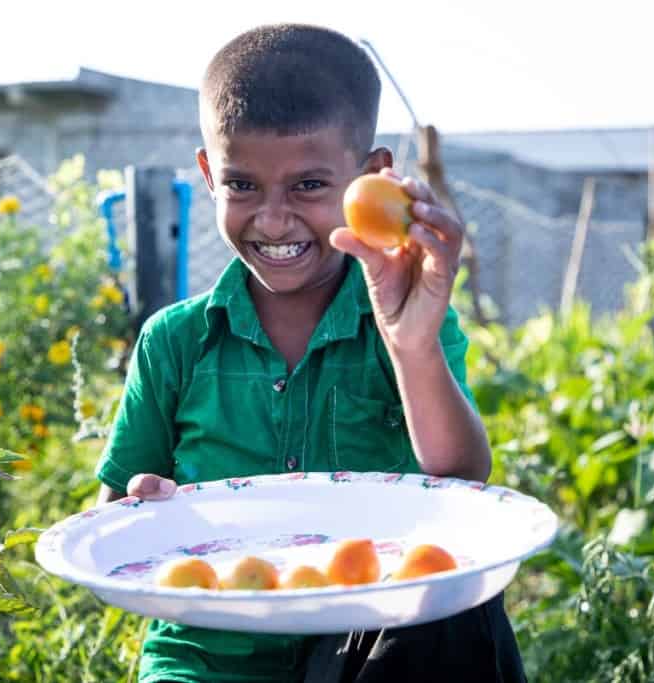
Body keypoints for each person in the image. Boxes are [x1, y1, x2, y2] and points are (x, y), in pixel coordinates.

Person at [94, 23, 526, 683]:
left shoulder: (405, 321)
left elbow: (462, 478)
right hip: (209, 660)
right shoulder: (173, 343)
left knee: (461, 607)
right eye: (242, 185)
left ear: (372, 178)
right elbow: (110, 520)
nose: (272, 219)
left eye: (308, 186)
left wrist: (410, 342)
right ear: (208, 174)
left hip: (370, 650)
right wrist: (139, 507)